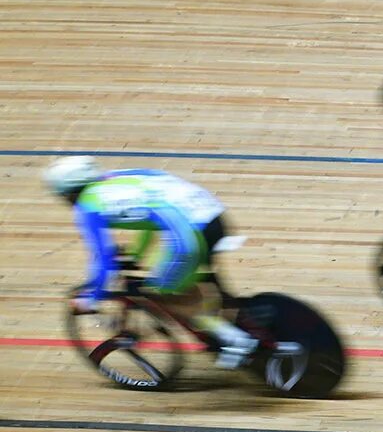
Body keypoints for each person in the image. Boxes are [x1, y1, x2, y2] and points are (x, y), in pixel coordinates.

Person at [45, 156, 259, 368]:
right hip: (212, 216)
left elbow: (102, 261)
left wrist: (91, 298)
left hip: (189, 234)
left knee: (164, 293)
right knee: (201, 281)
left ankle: (236, 340)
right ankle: (243, 317)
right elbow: (149, 220)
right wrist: (137, 255)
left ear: (70, 193)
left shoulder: (88, 207)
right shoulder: (119, 178)